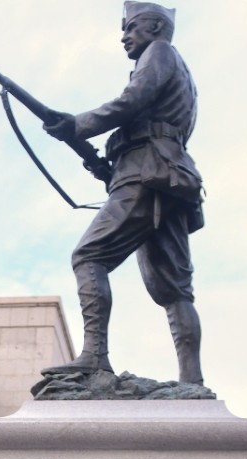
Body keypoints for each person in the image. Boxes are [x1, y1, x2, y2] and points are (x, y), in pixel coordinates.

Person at [41, 2, 204, 385]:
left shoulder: (159, 53)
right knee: (175, 290)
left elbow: (134, 100)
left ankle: (94, 357)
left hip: (148, 176)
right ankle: (192, 381)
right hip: (166, 178)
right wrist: (106, 168)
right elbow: (147, 126)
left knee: (89, 255)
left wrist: (78, 124)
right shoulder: (176, 70)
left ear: (154, 27)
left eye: (131, 28)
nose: (124, 36)